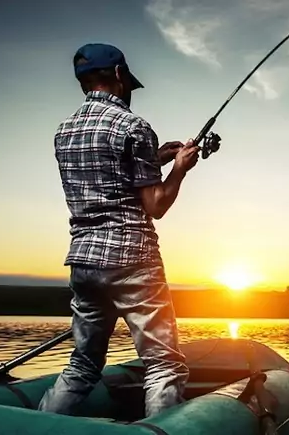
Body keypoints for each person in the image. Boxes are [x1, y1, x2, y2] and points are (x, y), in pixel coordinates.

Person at [38, 43, 199, 418]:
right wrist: (179, 168)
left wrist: (153, 158)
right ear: (117, 75)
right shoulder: (134, 126)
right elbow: (156, 205)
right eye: (127, 79)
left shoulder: (64, 132)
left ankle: (34, 428)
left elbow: (103, 176)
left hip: (83, 261)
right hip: (132, 260)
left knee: (82, 366)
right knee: (164, 365)